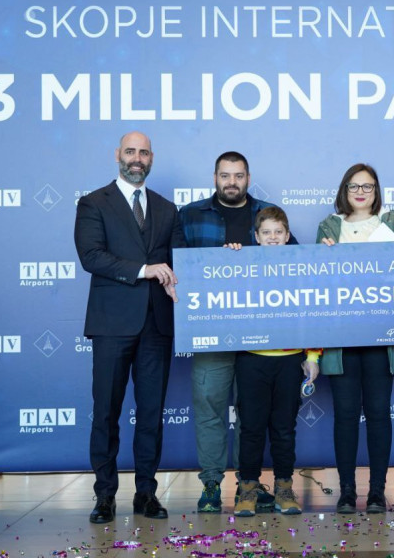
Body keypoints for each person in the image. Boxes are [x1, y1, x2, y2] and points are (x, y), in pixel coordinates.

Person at [74, 131, 186, 524]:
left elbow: (181, 262)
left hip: (156, 325)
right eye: (130, 151)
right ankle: (104, 496)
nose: (137, 158)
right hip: (111, 325)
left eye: (143, 152)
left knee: (151, 413)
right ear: (117, 155)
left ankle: (146, 493)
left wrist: (224, 261)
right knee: (106, 412)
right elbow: (91, 256)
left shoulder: (167, 208)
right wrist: (144, 270)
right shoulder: (93, 202)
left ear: (151, 158)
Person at [178, 151, 297, 513]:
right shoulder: (190, 215)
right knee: (210, 407)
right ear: (215, 177)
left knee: (253, 418)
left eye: (239, 175)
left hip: (260, 339)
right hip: (211, 332)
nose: (232, 182)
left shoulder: (268, 215)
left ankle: (250, 485)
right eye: (225, 175)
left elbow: (295, 266)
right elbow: (179, 269)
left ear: (248, 178)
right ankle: (211, 484)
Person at [316, 163, 394, 514]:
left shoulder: (393, 225)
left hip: (382, 339)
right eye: (354, 186)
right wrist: (319, 257)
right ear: (344, 190)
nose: (360, 192)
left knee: (378, 414)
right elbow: (315, 283)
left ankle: (376, 491)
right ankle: (346, 491)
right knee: (344, 415)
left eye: (367, 186)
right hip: (341, 339)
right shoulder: (328, 227)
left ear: (376, 191)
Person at [233, 206, 321, 516]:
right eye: (266, 232)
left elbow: (313, 312)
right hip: (251, 359)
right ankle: (247, 489)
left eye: (278, 232)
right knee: (251, 428)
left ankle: (284, 488)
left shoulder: (301, 269)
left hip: (289, 359)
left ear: (287, 236)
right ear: (256, 237)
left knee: (284, 428)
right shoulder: (240, 267)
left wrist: (312, 356)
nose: (272, 238)